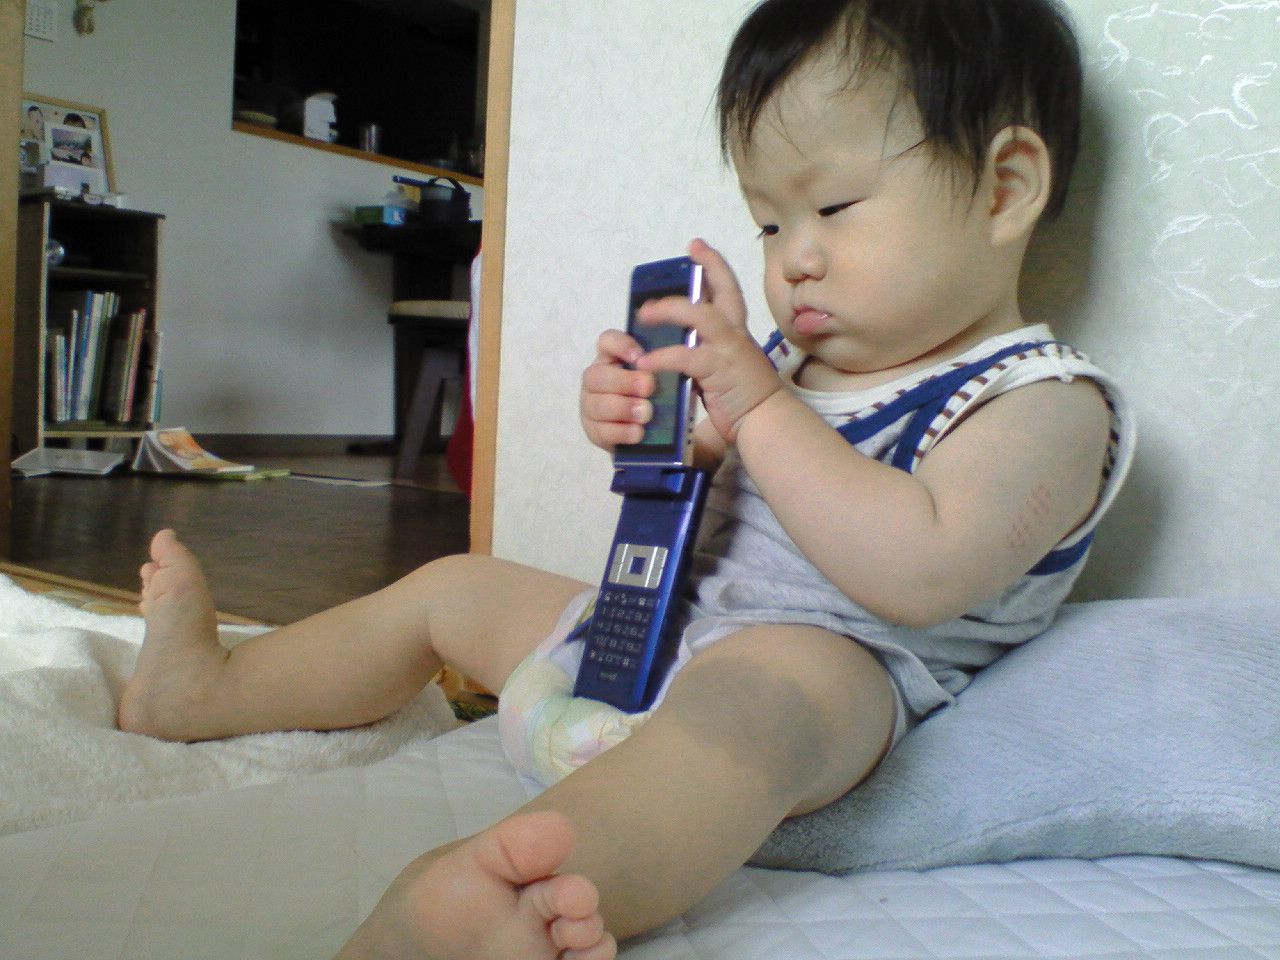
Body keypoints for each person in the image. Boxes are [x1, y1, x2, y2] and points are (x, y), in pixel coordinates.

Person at [117, 0, 1134, 957]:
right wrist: (645, 432)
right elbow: (705, 481)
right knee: (452, 586)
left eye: (833, 206)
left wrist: (757, 410)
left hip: (832, 670)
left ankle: (520, 893)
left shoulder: (1039, 401)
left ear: (1004, 189)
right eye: (770, 223)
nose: (794, 259)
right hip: (656, 629)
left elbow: (919, 571)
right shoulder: (785, 364)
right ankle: (205, 691)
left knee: (762, 697)